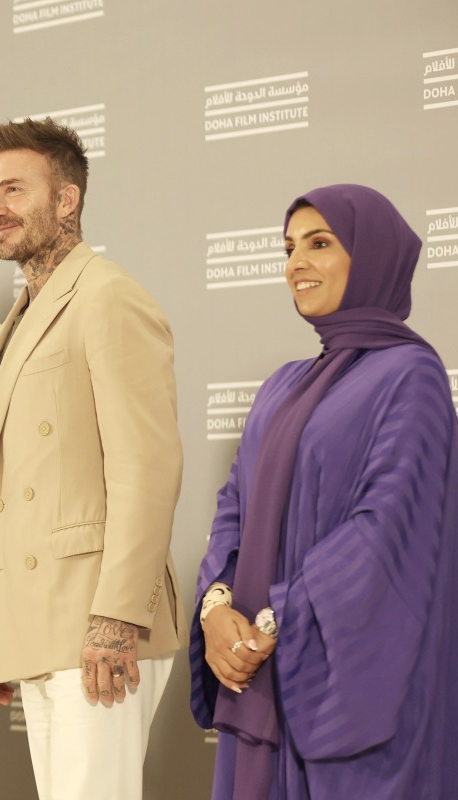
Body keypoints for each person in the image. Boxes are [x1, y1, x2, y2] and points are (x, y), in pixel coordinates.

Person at [190, 184, 458, 799]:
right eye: (289, 248)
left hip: (342, 682)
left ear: (373, 256)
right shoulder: (281, 386)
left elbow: (387, 531)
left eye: (320, 243)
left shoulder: (409, 376)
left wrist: (275, 622)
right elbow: (234, 508)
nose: (296, 264)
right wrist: (216, 611)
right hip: (255, 677)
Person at [0, 118, 185, 800]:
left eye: (13, 189)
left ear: (66, 200)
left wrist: (118, 619)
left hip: (98, 621)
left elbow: (147, 467)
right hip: (38, 621)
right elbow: (16, 486)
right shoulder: (18, 319)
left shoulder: (108, 294)